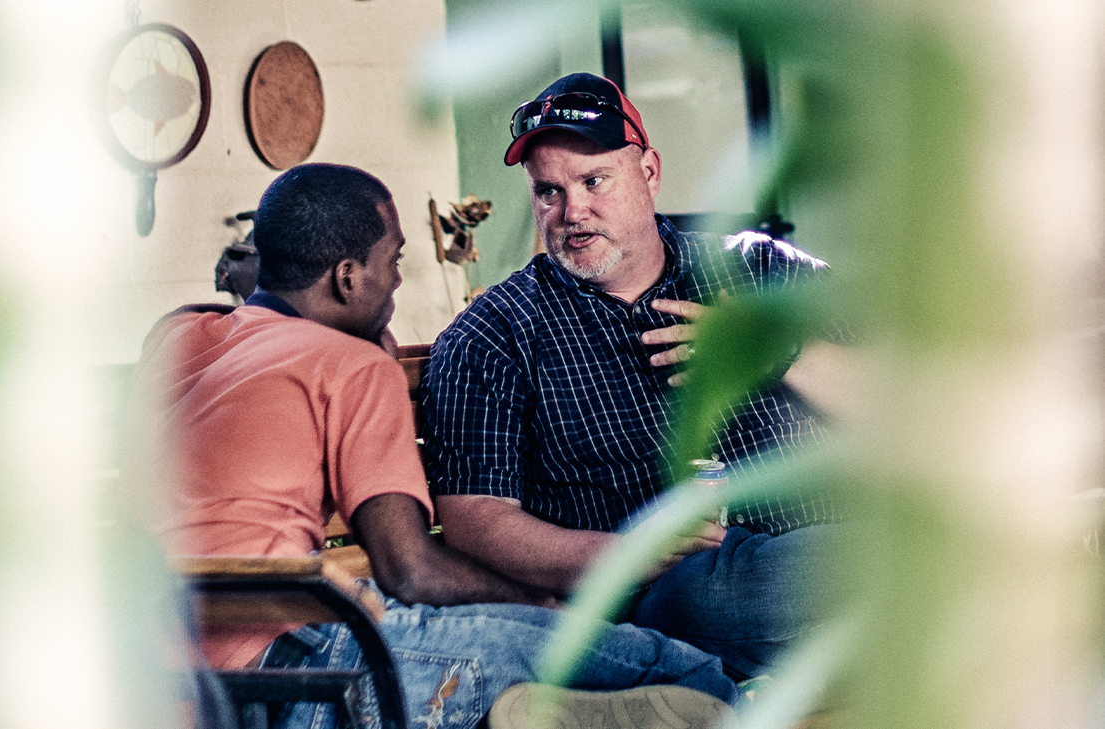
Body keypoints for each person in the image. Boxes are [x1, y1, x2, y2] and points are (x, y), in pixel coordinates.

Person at [133, 162, 745, 729]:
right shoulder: (351, 368)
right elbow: (410, 570)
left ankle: (547, 712)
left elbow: (199, 318)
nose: (398, 281)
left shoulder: (183, 337)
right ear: (348, 278)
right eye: (393, 261)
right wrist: (539, 601)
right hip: (294, 669)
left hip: (158, 668)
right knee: (686, 673)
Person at [422, 73, 841, 679]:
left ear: (649, 172)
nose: (573, 212)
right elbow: (474, 519)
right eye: (548, 191)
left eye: (594, 181)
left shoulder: (760, 268)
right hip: (682, 595)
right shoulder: (492, 337)